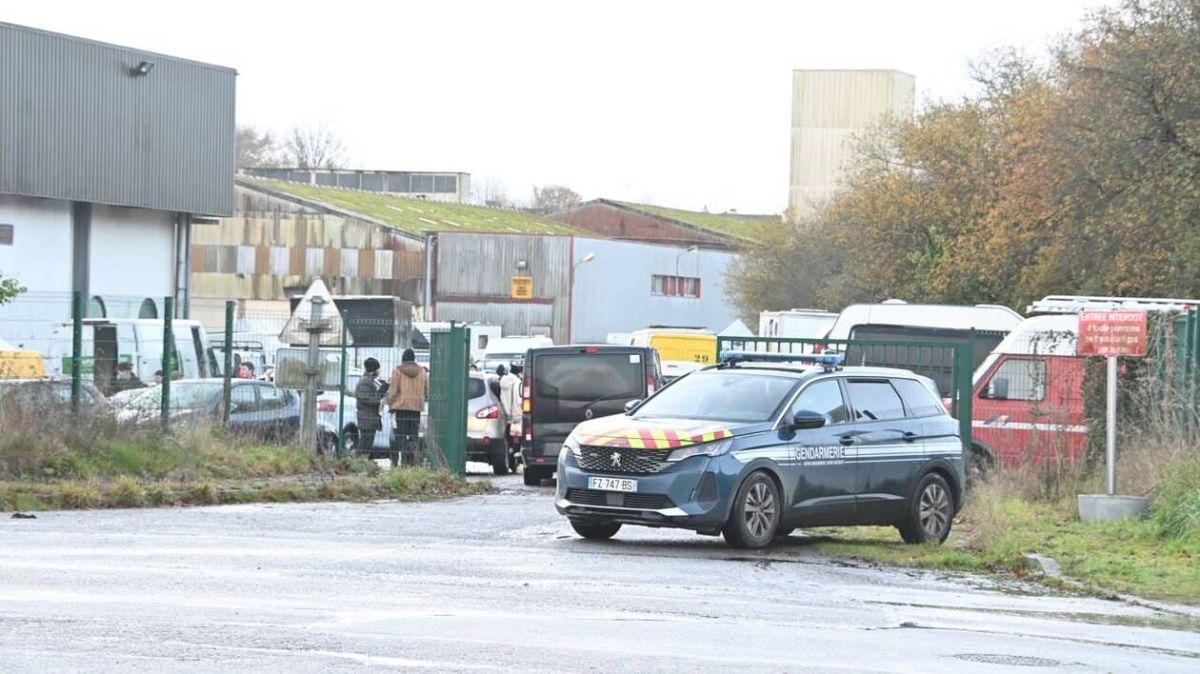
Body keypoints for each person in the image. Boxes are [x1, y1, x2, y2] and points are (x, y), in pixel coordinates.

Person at [389, 348, 429, 465]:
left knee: (401, 435)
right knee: (413, 435)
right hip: (416, 408)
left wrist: (391, 404)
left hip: (401, 408)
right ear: (414, 358)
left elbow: (393, 391)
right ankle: (412, 459)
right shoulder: (422, 372)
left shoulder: (397, 371)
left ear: (403, 358)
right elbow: (426, 391)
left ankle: (403, 457)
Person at [355, 358, 388, 455]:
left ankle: (362, 460)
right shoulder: (365, 382)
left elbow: (375, 396)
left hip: (369, 418)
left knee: (367, 444)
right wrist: (378, 402)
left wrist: (385, 386)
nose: (379, 372)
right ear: (373, 370)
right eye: (377, 369)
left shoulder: (369, 381)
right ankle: (359, 461)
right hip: (367, 418)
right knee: (365, 444)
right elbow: (365, 398)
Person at [499, 362, 524, 462]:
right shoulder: (517, 382)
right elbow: (519, 399)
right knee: (517, 439)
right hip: (516, 415)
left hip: (505, 415)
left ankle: (509, 453)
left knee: (507, 439)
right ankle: (515, 455)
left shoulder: (502, 381)